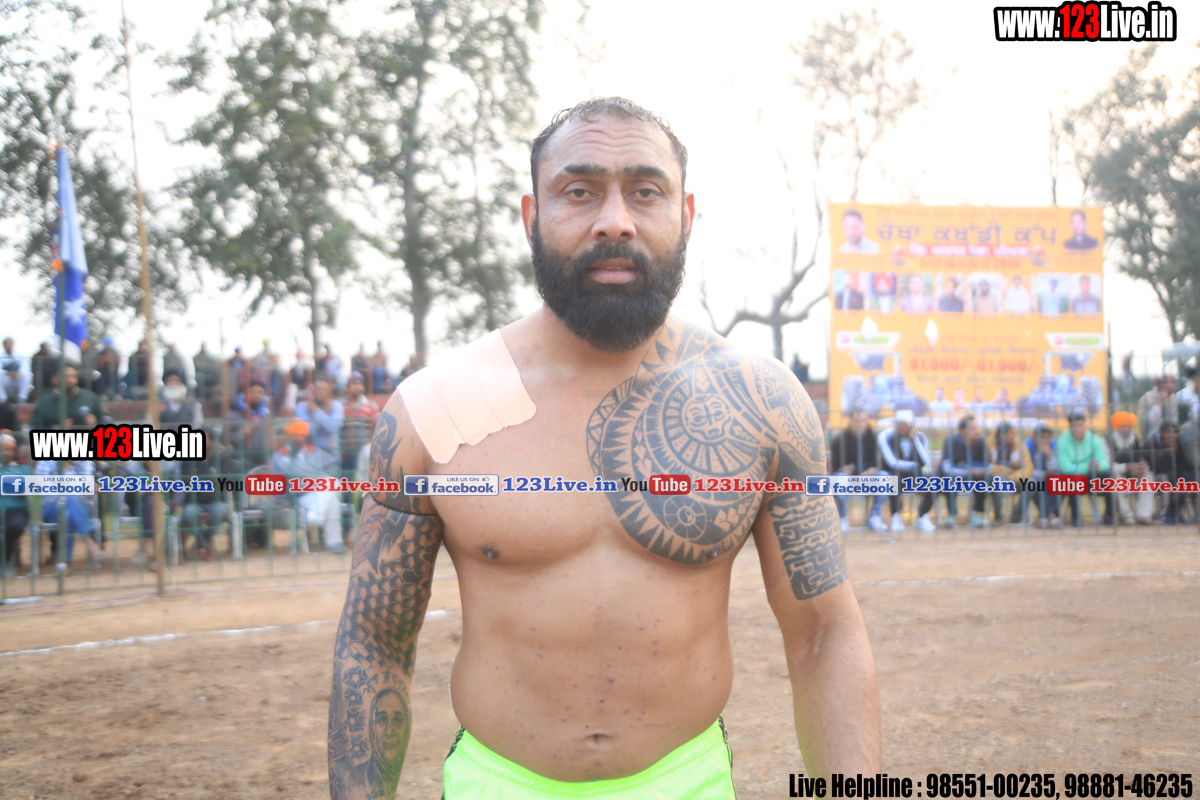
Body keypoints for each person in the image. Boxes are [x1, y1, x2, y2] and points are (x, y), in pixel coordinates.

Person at [328, 97, 880, 799]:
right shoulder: (432, 410)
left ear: (686, 215)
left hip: (688, 782)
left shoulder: (763, 403)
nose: (614, 220)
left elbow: (823, 632)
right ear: (532, 217)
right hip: (497, 784)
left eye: (645, 191)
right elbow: (374, 645)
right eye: (579, 191)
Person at [272, 419, 343, 553]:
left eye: (302, 435)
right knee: (332, 493)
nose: (299, 438)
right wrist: (317, 476)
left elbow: (334, 467)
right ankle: (333, 541)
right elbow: (284, 479)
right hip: (301, 496)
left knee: (333, 485)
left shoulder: (316, 452)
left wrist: (321, 477)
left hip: (322, 492)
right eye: (296, 435)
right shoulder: (279, 456)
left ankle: (314, 519)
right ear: (289, 436)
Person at [876, 409, 936, 533]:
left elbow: (925, 460)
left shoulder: (920, 437)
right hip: (894, 473)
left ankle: (922, 516)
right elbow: (892, 462)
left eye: (905, 424)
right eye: (899, 424)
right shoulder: (888, 437)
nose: (902, 427)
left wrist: (915, 440)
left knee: (931, 482)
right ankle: (895, 516)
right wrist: (914, 465)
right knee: (894, 480)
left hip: (914, 474)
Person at [830, 409, 886, 533]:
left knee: (884, 477)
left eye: (863, 420)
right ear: (850, 421)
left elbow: (875, 463)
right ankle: (842, 518)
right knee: (840, 478)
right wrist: (860, 468)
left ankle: (874, 516)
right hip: (846, 479)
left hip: (867, 478)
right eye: (856, 420)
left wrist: (853, 468)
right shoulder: (839, 439)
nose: (860, 424)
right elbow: (838, 466)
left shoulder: (873, 437)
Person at [1056, 413, 1112, 527]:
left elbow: (1104, 462)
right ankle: (1076, 518)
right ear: (1069, 427)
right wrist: (1086, 467)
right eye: (1075, 426)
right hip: (1074, 479)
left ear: (1085, 426)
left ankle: (1109, 516)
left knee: (1108, 476)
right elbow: (1064, 467)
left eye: (1081, 426)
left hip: (1092, 477)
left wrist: (1097, 465)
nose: (1078, 429)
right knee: (1072, 479)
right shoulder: (1062, 442)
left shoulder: (1094, 439)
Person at [941, 414, 992, 528]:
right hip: (955, 478)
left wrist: (969, 468)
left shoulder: (981, 441)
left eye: (976, 428)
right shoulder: (951, 441)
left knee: (985, 478)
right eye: (973, 428)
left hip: (973, 479)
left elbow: (988, 466)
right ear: (963, 431)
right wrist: (967, 470)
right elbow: (946, 468)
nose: (977, 431)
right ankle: (952, 515)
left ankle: (976, 513)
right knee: (946, 479)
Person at [1107, 411, 1153, 526]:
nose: (1126, 429)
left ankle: (1143, 515)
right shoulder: (1105, 440)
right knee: (1114, 478)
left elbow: (1142, 459)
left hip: (1133, 476)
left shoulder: (1135, 440)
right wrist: (1126, 467)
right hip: (1114, 475)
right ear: (1115, 427)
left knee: (1148, 476)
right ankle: (1126, 515)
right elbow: (1106, 466)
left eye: (1129, 426)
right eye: (1123, 426)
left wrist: (1141, 468)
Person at [30, 364, 104, 431]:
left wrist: (94, 425)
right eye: (65, 376)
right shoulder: (45, 402)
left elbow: (105, 421)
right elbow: (35, 427)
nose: (70, 380)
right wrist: (57, 428)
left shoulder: (90, 397)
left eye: (73, 376)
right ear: (55, 379)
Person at [1149, 422, 1192, 524]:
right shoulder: (1151, 443)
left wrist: (1175, 453)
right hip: (1155, 476)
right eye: (1168, 432)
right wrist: (1168, 453)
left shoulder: (1179, 443)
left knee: (1187, 478)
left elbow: (1182, 464)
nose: (1172, 435)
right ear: (1161, 433)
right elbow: (1155, 467)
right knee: (1170, 478)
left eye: (1175, 432)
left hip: (1174, 474)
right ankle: (1167, 513)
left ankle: (1176, 512)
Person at [0, 433, 30, 575]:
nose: (5, 452)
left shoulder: (24, 469)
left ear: (15, 451)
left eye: (8, 449)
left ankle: (5, 561)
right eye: (2, 449)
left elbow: (28, 487)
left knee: (14, 526)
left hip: (16, 511)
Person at [992, 422, 1032, 524]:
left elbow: (1028, 467)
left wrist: (1011, 476)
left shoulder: (1019, 444)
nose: (1014, 436)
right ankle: (998, 517)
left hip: (1014, 478)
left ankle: (1016, 515)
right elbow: (988, 466)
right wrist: (1005, 470)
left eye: (1014, 433)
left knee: (1031, 483)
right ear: (1002, 435)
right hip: (995, 478)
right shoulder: (989, 443)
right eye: (1010, 434)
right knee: (996, 481)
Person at [297, 376, 344, 457]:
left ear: (329, 391)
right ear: (312, 390)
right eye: (318, 388)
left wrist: (317, 412)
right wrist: (323, 412)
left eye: (324, 389)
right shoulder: (302, 406)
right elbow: (308, 432)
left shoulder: (336, 405)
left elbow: (334, 428)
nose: (321, 392)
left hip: (331, 454)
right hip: (309, 454)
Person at [1025, 423, 1061, 527]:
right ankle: (1051, 515)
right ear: (1034, 436)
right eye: (1042, 437)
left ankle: (1044, 516)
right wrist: (1043, 473)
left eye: (1047, 437)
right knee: (1035, 483)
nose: (1045, 441)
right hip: (1031, 478)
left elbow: (1055, 469)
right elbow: (1027, 470)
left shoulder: (1053, 444)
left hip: (1047, 478)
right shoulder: (1026, 445)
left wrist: (1049, 454)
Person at [1137, 376, 1179, 442]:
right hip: (1151, 438)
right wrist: (1159, 402)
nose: (1170, 385)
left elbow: (1174, 421)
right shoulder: (1147, 398)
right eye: (1166, 382)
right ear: (1159, 384)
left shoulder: (1174, 398)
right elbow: (1147, 423)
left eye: (1173, 382)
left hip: (1170, 439)